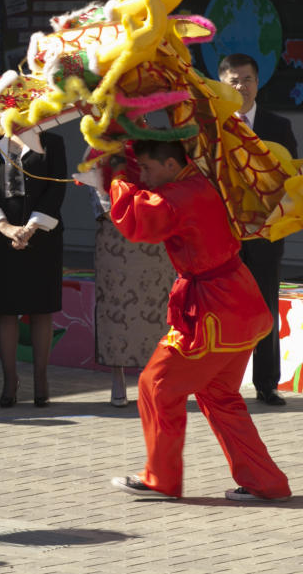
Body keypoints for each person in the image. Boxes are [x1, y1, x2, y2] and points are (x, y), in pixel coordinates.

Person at [109, 139, 291, 502]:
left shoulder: (181, 195)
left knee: (156, 384)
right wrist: (123, 137)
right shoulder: (199, 180)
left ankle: (161, 477)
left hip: (215, 312)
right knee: (220, 397)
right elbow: (149, 180)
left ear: (172, 165)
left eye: (147, 169)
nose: (143, 176)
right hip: (239, 304)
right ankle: (266, 482)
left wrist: (115, 176)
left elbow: (140, 220)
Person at [218, 53, 299, 406]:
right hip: (223, 235)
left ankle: (266, 383)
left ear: (258, 81)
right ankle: (221, 385)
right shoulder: (213, 125)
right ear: (222, 84)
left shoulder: (278, 125)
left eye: (247, 79)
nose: (241, 87)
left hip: (266, 233)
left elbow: (292, 179)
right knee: (223, 310)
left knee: (264, 309)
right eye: (233, 81)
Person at [0, 116, 66, 408]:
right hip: (1, 238)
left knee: (41, 310)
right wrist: (5, 228)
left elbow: (56, 190)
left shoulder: (51, 143)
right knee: (6, 311)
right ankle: (9, 380)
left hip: (42, 236)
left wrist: (30, 228)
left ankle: (41, 379)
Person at [90, 147, 176, 407]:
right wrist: (119, 210)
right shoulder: (99, 144)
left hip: (152, 232)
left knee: (156, 308)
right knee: (116, 310)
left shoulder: (153, 141)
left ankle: (155, 381)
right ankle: (118, 380)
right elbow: (93, 186)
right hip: (116, 233)